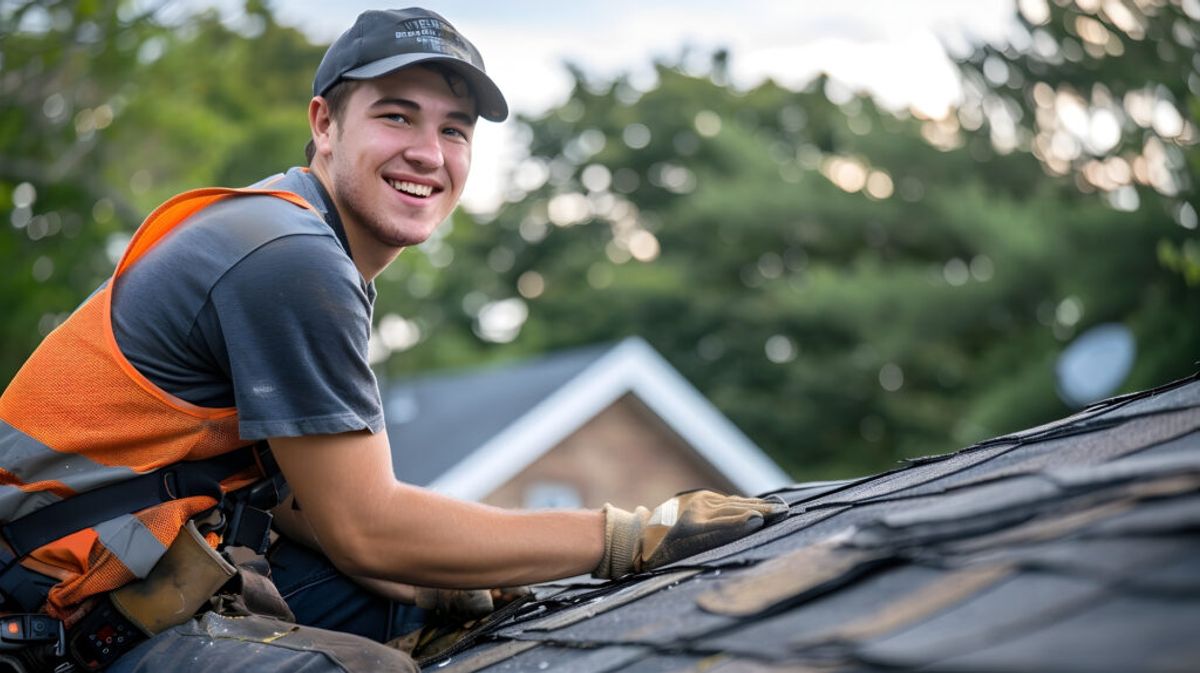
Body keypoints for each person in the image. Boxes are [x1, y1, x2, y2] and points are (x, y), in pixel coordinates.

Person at [0, 8, 787, 672]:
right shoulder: (289, 256)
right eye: (396, 115)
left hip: (119, 572)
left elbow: (307, 505)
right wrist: (633, 536)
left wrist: (441, 576)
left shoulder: (289, 228)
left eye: (455, 130)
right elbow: (367, 529)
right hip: (51, 613)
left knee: (447, 605)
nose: (428, 154)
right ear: (324, 123)